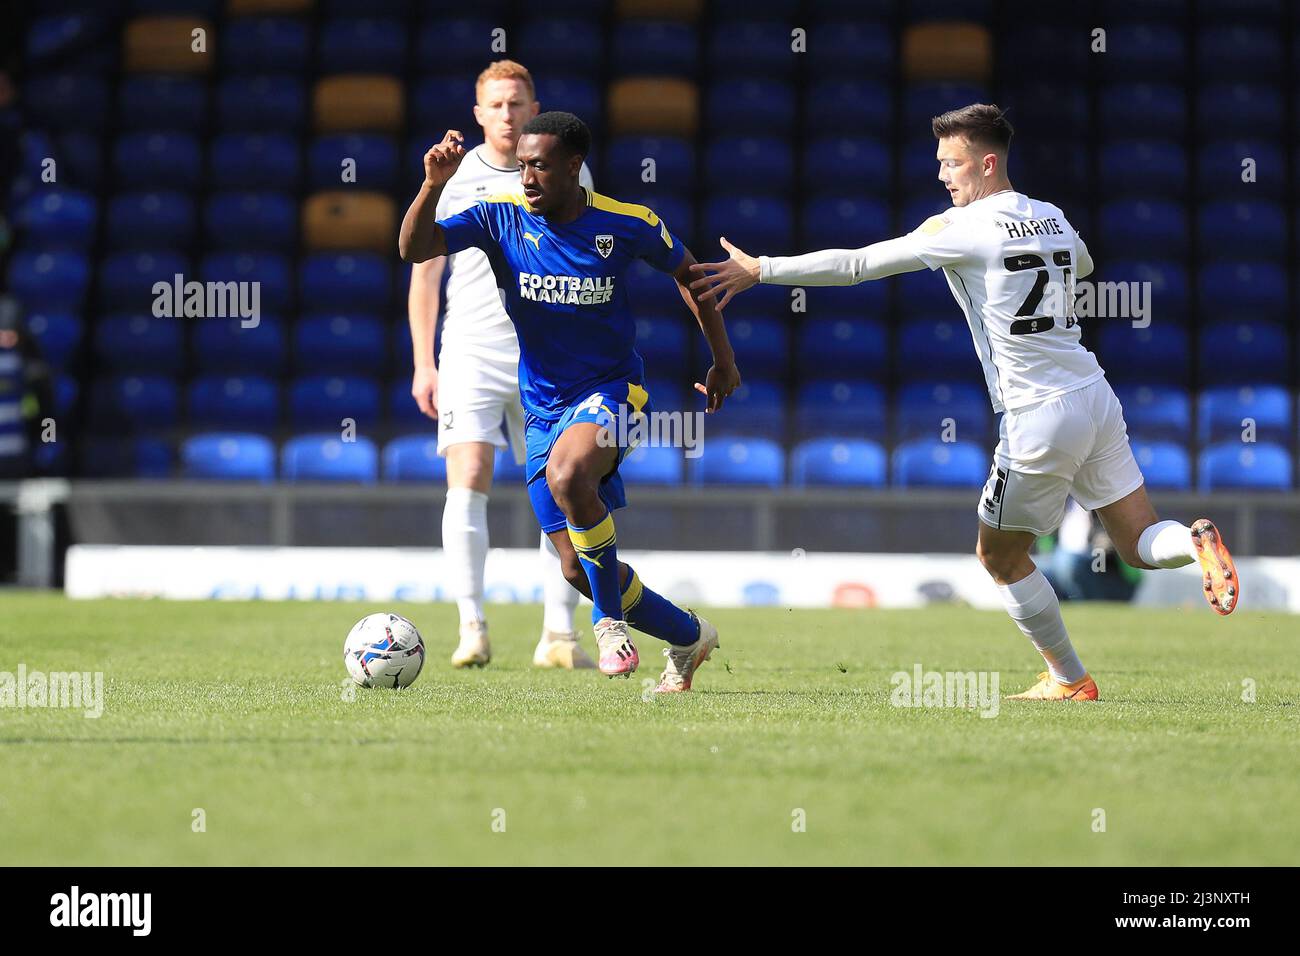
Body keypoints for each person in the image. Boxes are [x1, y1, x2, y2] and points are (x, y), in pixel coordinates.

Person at [688, 103, 1238, 701]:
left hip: (1036, 412)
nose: (943, 176)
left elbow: (857, 265)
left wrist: (760, 269)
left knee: (999, 555)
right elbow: (1082, 268)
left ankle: (1070, 678)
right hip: (1093, 393)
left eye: (952, 164)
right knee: (1139, 540)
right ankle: (1195, 540)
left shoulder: (959, 228)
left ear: (988, 162)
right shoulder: (1052, 215)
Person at [399, 111, 742, 693]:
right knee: (574, 567)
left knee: (568, 472)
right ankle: (689, 636)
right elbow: (414, 249)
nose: (526, 176)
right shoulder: (497, 216)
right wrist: (433, 183)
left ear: (573, 167)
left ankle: (608, 624)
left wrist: (723, 360)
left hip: (614, 392)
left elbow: (691, 276)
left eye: (539, 166)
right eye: (523, 165)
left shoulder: (626, 222)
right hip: (542, 406)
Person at [407, 60, 593, 670]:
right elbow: (425, 273)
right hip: (472, 350)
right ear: (479, 113)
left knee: (558, 488)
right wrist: (423, 362)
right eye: (498, 105)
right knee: (470, 474)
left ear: (534, 105)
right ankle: (472, 628)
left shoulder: (570, 169)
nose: (509, 115)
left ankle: (558, 637)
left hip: (546, 353)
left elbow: (590, 260)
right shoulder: (455, 177)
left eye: (518, 103)